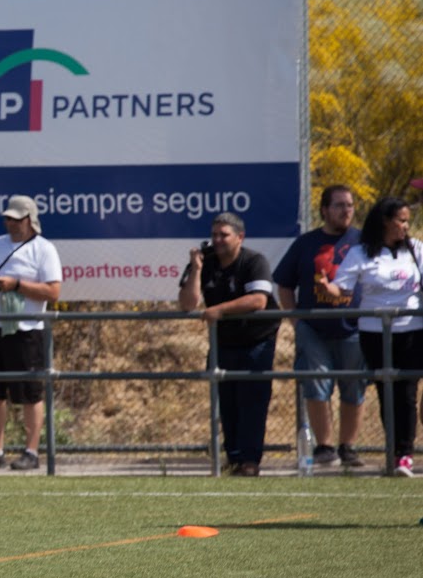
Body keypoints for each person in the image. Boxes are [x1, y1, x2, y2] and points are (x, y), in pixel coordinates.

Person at [321, 197, 422, 477]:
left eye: (407, 221)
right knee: (386, 391)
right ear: (385, 222)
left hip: (412, 330)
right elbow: (342, 289)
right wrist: (329, 289)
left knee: (407, 392)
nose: (405, 226)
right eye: (401, 220)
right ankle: (394, 450)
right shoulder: (361, 253)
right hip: (375, 333)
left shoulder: (415, 249)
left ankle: (405, 455)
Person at [179, 213, 280, 477]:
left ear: (239, 237)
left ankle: (250, 461)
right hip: (224, 342)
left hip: (256, 340)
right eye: (214, 234)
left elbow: (258, 300)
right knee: (227, 402)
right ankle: (234, 459)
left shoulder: (254, 261)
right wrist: (196, 269)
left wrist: (220, 310)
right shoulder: (206, 261)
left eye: (223, 235)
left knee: (252, 401)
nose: (217, 240)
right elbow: (187, 303)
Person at [273, 185, 366, 469]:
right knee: (316, 385)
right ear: (324, 210)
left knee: (354, 387)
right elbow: (284, 284)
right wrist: (296, 320)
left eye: (349, 205)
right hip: (313, 330)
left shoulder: (364, 242)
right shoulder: (306, 243)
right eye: (339, 205)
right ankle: (324, 447)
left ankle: (348, 447)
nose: (346, 211)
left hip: (354, 329)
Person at [0, 195, 62, 472]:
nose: (10, 223)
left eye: (16, 219)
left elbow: (53, 292)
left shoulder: (44, 249)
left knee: (30, 392)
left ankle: (31, 451)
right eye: (7, 218)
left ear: (30, 220)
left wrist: (17, 285)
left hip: (26, 330)